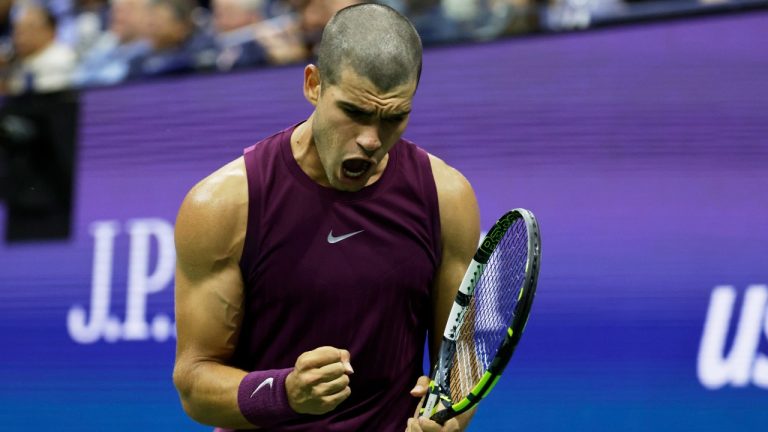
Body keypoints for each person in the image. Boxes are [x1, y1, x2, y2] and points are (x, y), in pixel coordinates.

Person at [172, 4, 479, 431]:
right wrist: (286, 393)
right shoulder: (224, 205)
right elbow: (194, 384)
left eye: (394, 118)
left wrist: (450, 417)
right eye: (353, 112)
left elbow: (459, 361)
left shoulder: (446, 197)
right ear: (314, 85)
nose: (372, 140)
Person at [1, 4, 76, 95]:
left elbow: (45, 99)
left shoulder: (61, 58)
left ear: (50, 31)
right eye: (17, 30)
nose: (20, 37)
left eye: (28, 29)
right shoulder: (17, 61)